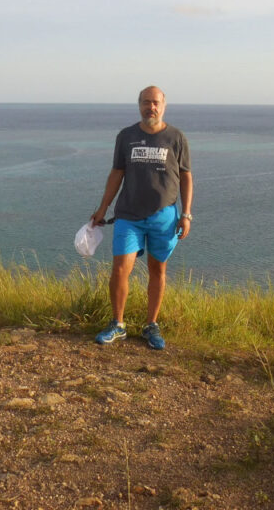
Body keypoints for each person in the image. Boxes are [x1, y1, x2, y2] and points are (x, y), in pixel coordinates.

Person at [90, 86, 193, 350]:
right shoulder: (126, 136)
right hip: (129, 216)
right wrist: (103, 208)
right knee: (120, 269)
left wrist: (186, 214)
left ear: (164, 106)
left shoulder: (176, 137)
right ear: (139, 105)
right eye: (146, 102)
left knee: (158, 270)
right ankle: (117, 324)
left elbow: (186, 176)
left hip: (165, 216)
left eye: (156, 103)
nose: (151, 107)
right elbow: (117, 173)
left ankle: (151, 325)